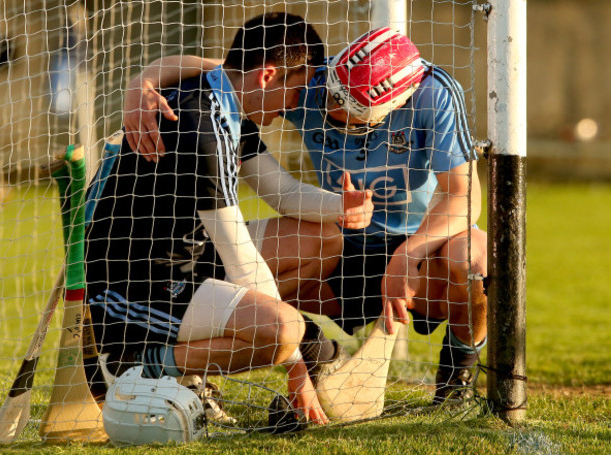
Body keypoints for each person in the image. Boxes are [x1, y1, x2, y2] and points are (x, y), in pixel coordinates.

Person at [123, 27, 488, 404]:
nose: (330, 108)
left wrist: (407, 255)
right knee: (271, 260)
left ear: (388, 110)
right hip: (344, 247)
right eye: (330, 95)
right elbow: (224, 71)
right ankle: (298, 348)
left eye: (347, 110)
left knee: (475, 257)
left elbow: (463, 197)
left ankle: (457, 375)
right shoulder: (310, 79)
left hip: (420, 252)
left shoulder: (436, 93)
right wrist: (142, 83)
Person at [85, 13, 374, 425]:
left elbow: (283, 192)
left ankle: (199, 364)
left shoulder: (225, 98)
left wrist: (343, 208)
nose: (297, 102)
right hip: (133, 287)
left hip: (187, 258)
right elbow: (240, 258)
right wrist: (297, 367)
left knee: (321, 239)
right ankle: (133, 363)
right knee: (282, 330)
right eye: (296, 88)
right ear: (267, 76)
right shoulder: (202, 129)